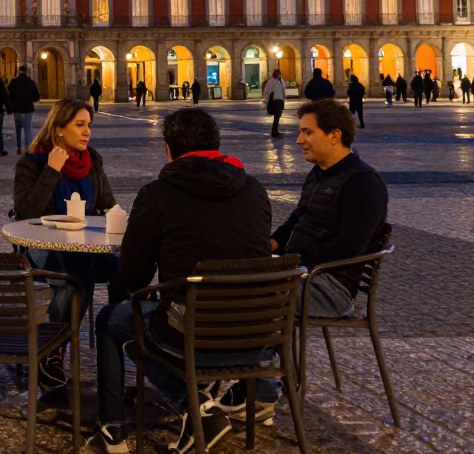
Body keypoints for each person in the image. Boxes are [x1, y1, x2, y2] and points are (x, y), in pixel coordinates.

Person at [91, 108, 272, 453]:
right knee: (150, 322)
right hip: (258, 330)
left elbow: (134, 275)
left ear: (168, 149)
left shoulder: (157, 194)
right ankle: (209, 408)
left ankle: (113, 428)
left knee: (114, 321)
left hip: (192, 329)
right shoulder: (254, 189)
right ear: (217, 145)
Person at [229, 99, 389, 419]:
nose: (299, 140)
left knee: (252, 297)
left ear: (334, 135)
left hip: (331, 286)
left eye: (307, 132)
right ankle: (252, 382)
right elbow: (296, 220)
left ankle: (258, 392)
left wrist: (291, 265)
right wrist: (267, 246)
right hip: (303, 273)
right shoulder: (318, 174)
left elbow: (348, 247)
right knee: (238, 280)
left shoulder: (363, 184)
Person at [14, 98, 119, 389]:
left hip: (86, 246)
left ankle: (120, 336)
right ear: (59, 129)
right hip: (43, 248)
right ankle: (51, 349)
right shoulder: (32, 162)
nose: (87, 132)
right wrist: (52, 170)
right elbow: (26, 213)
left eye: (89, 126)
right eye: (80, 125)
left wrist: (120, 221)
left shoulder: (92, 161)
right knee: (78, 272)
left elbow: (109, 205)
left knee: (123, 268)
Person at [8, 64, 41, 155]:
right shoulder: (31, 82)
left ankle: (19, 148)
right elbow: (36, 96)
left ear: (18, 71)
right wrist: (32, 100)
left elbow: (10, 95)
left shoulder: (14, 82)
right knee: (28, 129)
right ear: (26, 71)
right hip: (28, 109)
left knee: (18, 129)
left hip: (17, 109)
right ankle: (27, 148)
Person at [262, 68, 287, 138]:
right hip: (275, 100)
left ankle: (275, 130)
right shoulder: (271, 81)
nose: (278, 76)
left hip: (280, 100)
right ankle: (274, 130)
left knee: (278, 116)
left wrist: (285, 96)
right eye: (277, 75)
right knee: (276, 116)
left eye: (279, 75)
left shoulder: (281, 81)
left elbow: (283, 88)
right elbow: (267, 91)